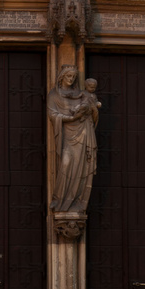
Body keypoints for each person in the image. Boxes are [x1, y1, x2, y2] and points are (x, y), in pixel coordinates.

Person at [47, 64, 100, 213]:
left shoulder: (82, 94)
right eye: (68, 76)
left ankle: (77, 202)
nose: (71, 79)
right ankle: (61, 199)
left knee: (82, 167)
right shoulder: (54, 95)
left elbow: (92, 112)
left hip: (83, 132)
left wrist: (90, 109)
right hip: (67, 135)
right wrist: (71, 118)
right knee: (66, 164)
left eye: (74, 77)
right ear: (62, 77)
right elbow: (53, 115)